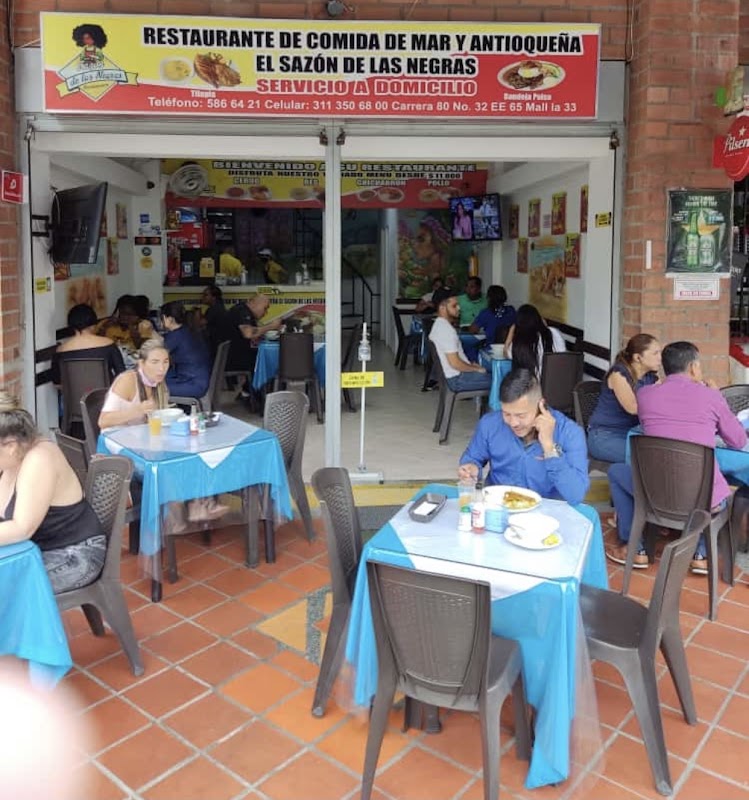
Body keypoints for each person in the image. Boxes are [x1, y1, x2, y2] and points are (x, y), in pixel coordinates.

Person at [606, 341, 747, 574]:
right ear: (693, 367)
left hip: (653, 495)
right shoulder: (711, 397)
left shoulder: (645, 394)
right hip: (701, 500)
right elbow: (739, 440)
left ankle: (635, 547)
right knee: (718, 480)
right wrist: (716, 399)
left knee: (616, 472)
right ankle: (701, 554)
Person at [98, 338, 227, 523]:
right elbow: (103, 421)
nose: (161, 368)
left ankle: (197, 504)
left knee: (191, 452)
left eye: (165, 362)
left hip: (143, 441)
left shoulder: (158, 384)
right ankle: (177, 516)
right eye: (155, 362)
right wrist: (137, 410)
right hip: (118, 447)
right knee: (169, 464)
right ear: (141, 363)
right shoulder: (127, 380)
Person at [0, 393, 106, 593]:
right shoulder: (10, 458)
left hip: (75, 555)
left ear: (11, 445)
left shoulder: (39, 460)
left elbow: (22, 528)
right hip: (35, 550)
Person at [458, 368, 589, 504]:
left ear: (540, 405)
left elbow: (576, 495)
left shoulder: (570, 433)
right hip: (498, 506)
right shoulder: (490, 424)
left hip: (546, 510)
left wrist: (549, 448)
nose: (513, 423)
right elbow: (473, 458)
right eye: (506, 414)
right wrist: (471, 468)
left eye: (521, 415)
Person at [587, 334, 662, 464]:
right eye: (655, 353)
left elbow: (663, 400)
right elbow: (632, 408)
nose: (660, 358)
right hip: (605, 436)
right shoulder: (619, 374)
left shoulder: (652, 377)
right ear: (638, 357)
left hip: (634, 434)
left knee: (664, 453)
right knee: (649, 459)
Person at [226, 293, 283, 402]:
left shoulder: (247, 313)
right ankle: (261, 400)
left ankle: (248, 394)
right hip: (231, 358)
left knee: (267, 359)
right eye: (265, 308)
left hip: (238, 354)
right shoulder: (242, 311)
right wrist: (271, 326)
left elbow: (254, 335)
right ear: (254, 303)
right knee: (266, 362)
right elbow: (248, 333)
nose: (266, 312)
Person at [428, 294, 490, 392]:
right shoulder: (446, 330)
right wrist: (475, 369)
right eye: (454, 306)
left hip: (454, 375)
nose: (459, 308)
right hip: (457, 379)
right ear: (442, 308)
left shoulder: (439, 324)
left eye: (458, 305)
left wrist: (473, 366)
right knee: (500, 380)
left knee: (493, 375)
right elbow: (455, 364)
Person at [52, 303, 125, 386]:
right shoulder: (108, 344)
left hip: (74, 394)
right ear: (93, 324)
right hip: (104, 393)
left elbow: (57, 383)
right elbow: (122, 375)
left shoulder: (60, 350)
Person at [161, 301, 211, 399]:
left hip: (192, 384)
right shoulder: (189, 330)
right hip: (199, 379)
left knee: (152, 387)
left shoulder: (175, 335)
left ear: (169, 319)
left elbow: (157, 355)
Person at [504, 304, 566, 376]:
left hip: (534, 382)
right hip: (557, 378)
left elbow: (506, 353)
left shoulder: (520, 341)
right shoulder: (553, 332)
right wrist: (544, 326)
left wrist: (511, 331)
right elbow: (563, 353)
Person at [413, 216, 450, 281]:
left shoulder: (448, 276)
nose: (415, 246)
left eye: (421, 239)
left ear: (436, 242)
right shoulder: (418, 274)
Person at [200, 284, 232, 360]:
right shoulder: (218, 307)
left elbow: (200, 323)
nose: (203, 297)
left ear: (214, 297)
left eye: (206, 295)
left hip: (215, 345)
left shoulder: (215, 309)